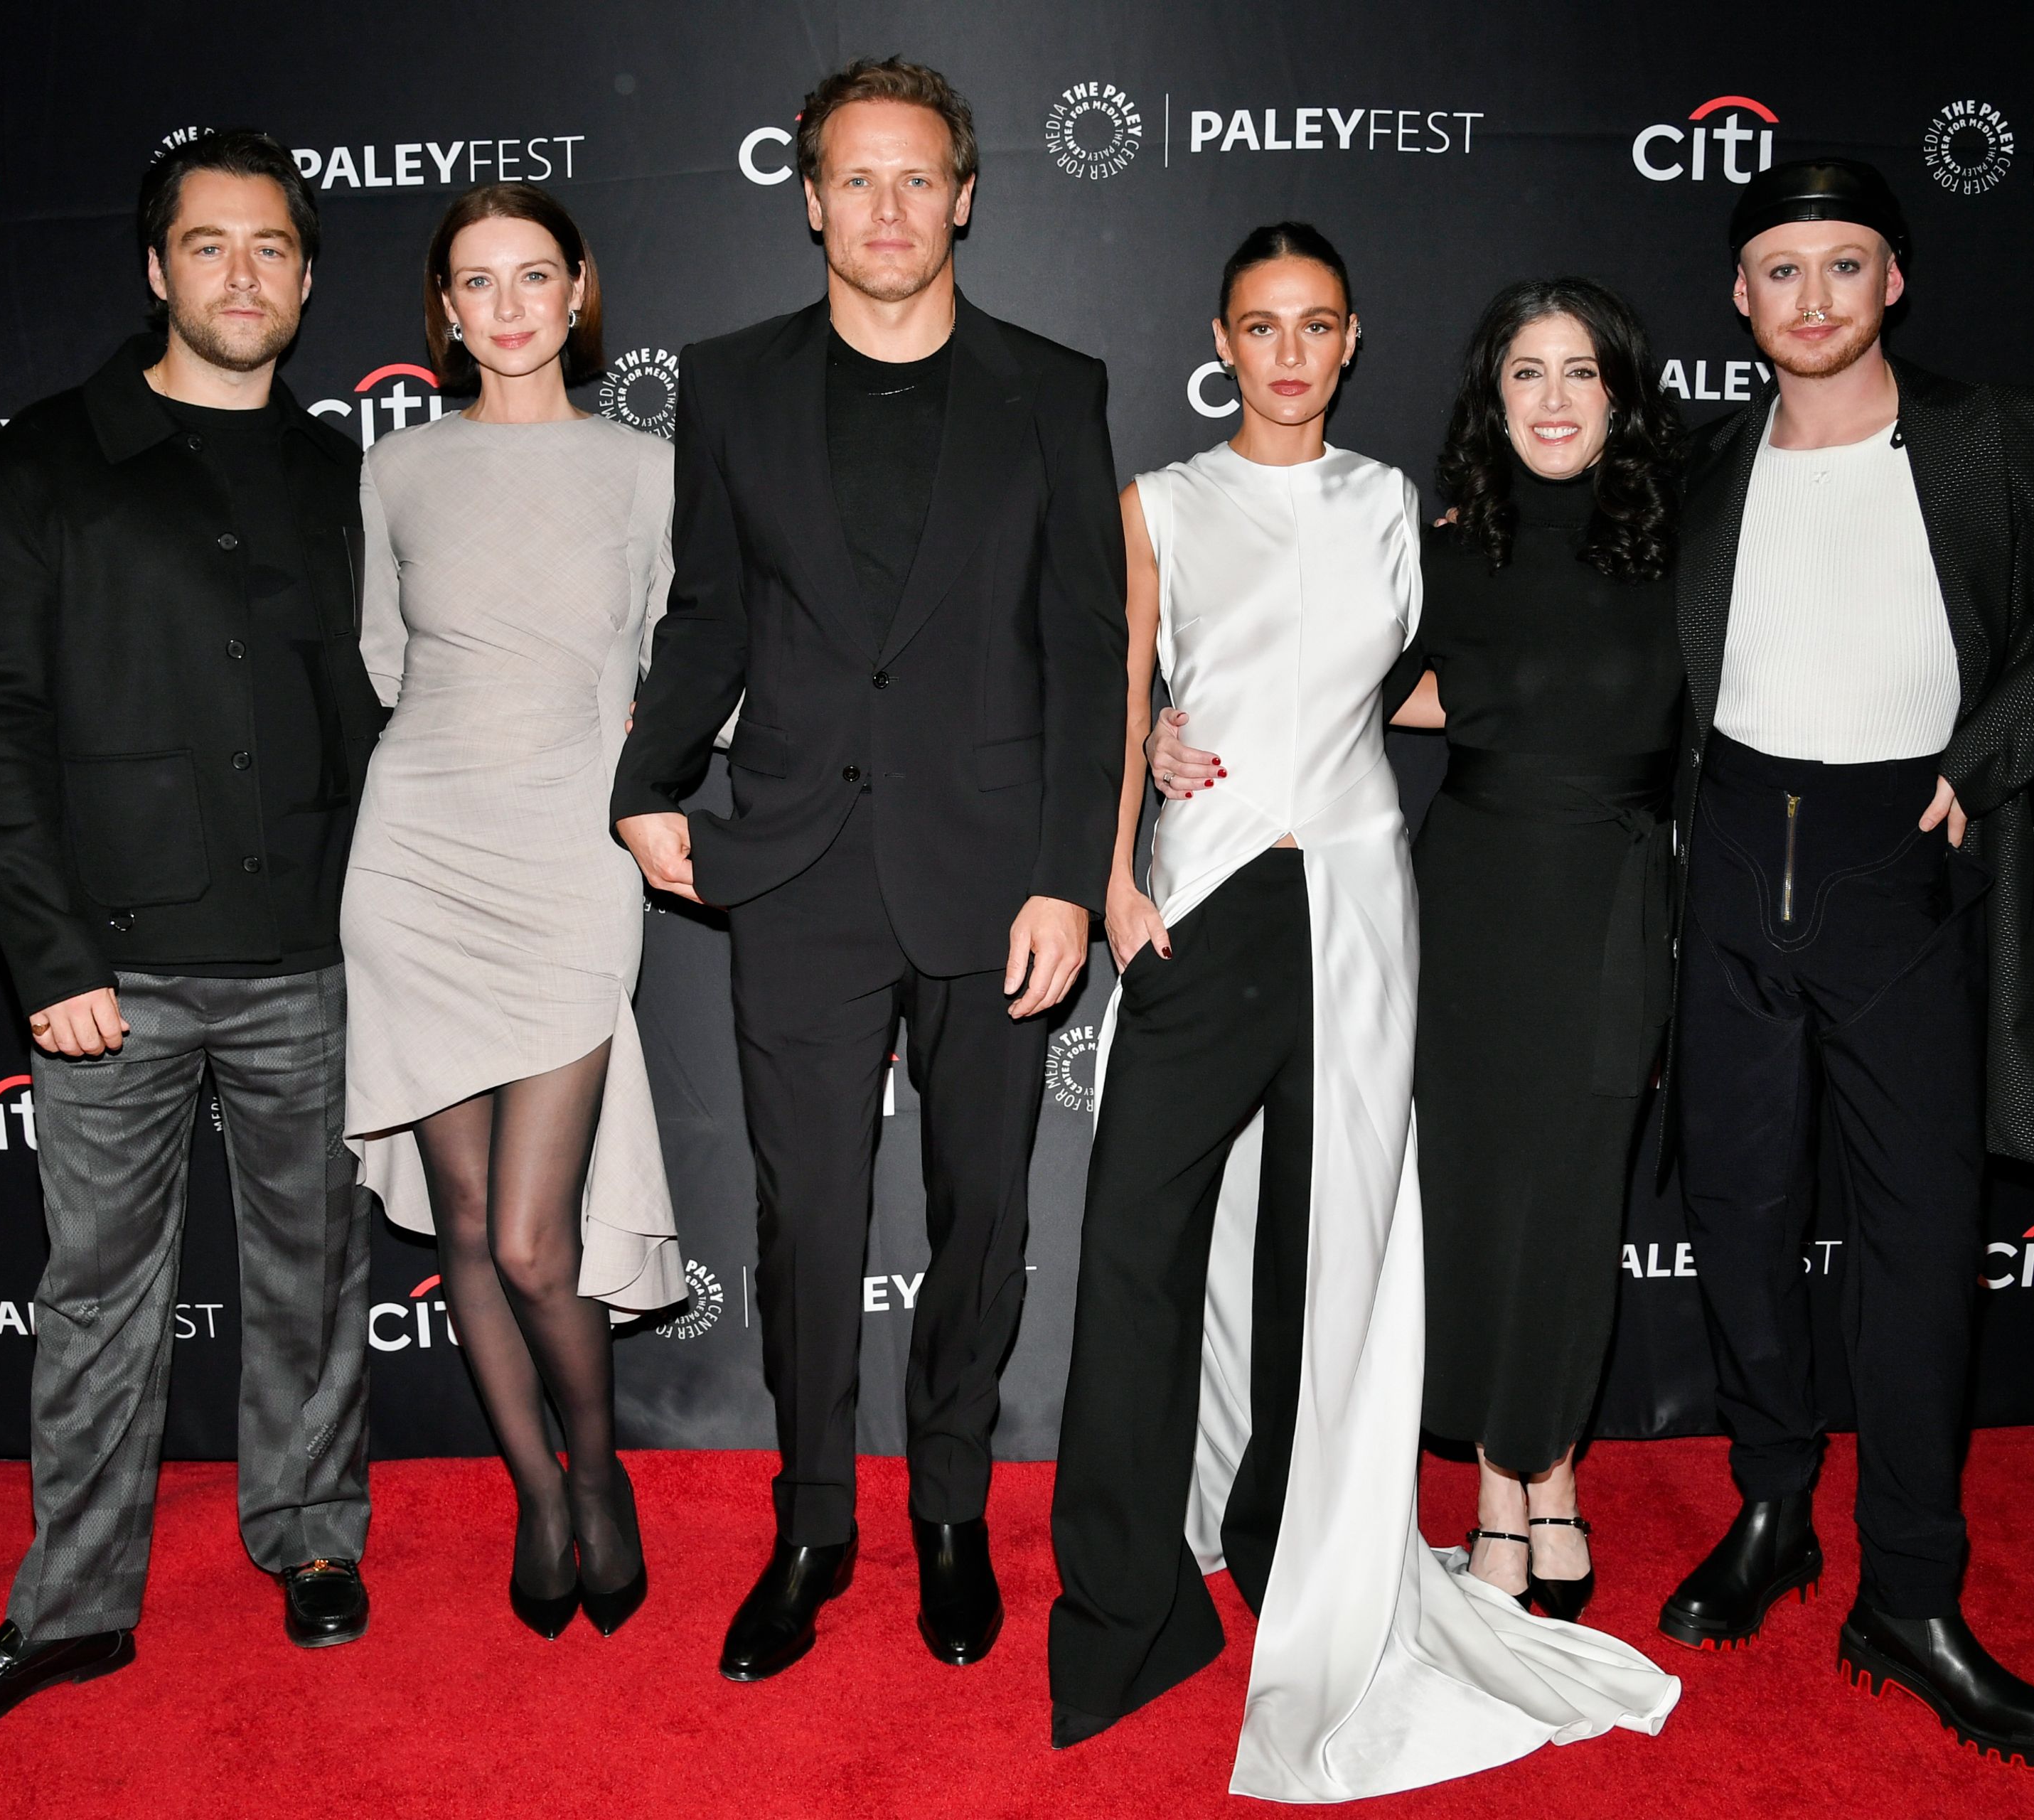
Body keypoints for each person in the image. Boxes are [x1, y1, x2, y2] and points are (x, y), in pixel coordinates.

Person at [1049, 224, 1678, 1801]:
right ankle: (1124, 1598)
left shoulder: (1408, 508)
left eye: (1314, 326)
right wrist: (1124, 855)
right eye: (1260, 326)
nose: (1285, 353)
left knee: (1322, 1258)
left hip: (1358, 909)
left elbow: (1459, 674)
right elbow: (1119, 692)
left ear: (1349, 343)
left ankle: (1285, 1537)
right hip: (1197, 905)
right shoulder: (1160, 503)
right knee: (1136, 1245)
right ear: (1221, 337)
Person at [1652, 160, 2034, 1768]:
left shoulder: (2009, 440)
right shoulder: (1695, 461)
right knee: (1741, 1213)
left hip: (1913, 865)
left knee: (1918, 1246)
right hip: (1738, 856)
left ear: (1896, 280)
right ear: (1738, 301)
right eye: (1779, 272)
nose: (1810, 299)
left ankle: (1911, 1588)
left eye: (1843, 267)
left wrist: (2005, 738)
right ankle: (1772, 1506)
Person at [609, 58, 1125, 1681]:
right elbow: (709, 618)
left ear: (964, 195)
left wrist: (1064, 874)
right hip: (803, 867)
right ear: (813, 196)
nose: (890, 208)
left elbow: (1088, 651)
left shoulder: (1055, 384)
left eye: (921, 179)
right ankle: (816, 1521)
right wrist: (644, 782)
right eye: (860, 178)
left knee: (982, 1218)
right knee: (808, 1219)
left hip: (993, 873)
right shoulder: (734, 383)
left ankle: (953, 1513)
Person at [0, 130, 384, 1743]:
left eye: (272, 250)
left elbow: (374, 718)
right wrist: (52, 961)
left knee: (312, 1271)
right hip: (112, 973)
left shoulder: (334, 477)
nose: (242, 276)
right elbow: (1, 722)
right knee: (101, 1291)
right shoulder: (47, 461)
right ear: (155, 267)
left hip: (308, 958)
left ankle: (309, 1529)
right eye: (209, 245)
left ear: (305, 282)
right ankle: (78, 1606)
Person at [341, 183, 684, 1643]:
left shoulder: (649, 469)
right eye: (477, 282)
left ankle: (597, 1475)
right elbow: (379, 649)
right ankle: (541, 1503)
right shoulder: (396, 471)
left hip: (569, 850)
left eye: (533, 274)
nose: (508, 304)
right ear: (445, 310)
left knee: (537, 1236)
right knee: (470, 1222)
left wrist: (615, 746)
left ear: (577, 287)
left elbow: (683, 654)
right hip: (418, 846)